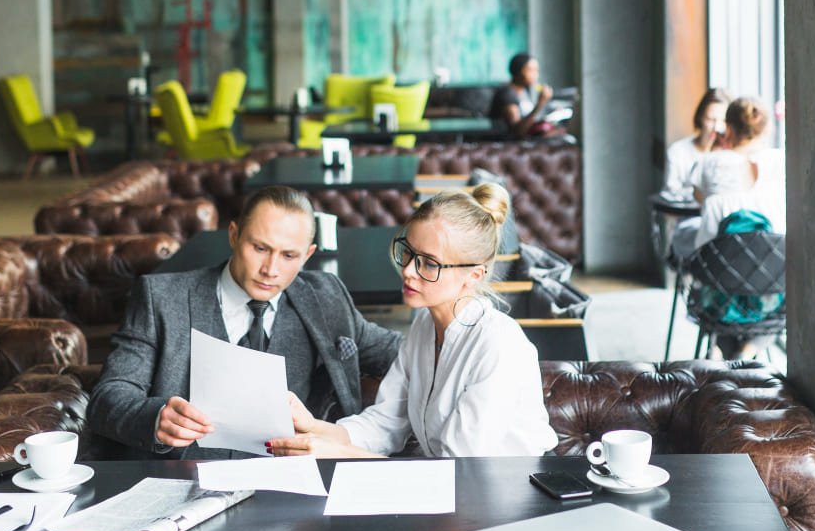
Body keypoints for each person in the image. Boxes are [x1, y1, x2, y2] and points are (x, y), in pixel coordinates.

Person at [87, 185, 402, 457]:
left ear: (308, 255)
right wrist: (155, 420)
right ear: (234, 235)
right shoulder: (161, 298)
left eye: (289, 256)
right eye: (260, 248)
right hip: (184, 476)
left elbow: (404, 353)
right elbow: (109, 397)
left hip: (293, 483)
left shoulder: (327, 296)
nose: (271, 269)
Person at [267, 183, 558, 458]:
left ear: (474, 275)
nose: (408, 270)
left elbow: (458, 468)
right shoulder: (424, 326)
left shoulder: (498, 345)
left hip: (516, 498)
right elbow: (386, 422)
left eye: (429, 263)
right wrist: (313, 428)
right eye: (408, 253)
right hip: (458, 498)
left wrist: (341, 454)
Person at [691, 96, 785, 249]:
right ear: (766, 130)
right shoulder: (780, 161)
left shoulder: (709, 162)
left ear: (728, 129)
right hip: (774, 261)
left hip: (718, 262)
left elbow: (699, 198)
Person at [662, 87, 731, 201]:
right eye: (710, 119)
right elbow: (671, 191)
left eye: (722, 120)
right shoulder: (678, 151)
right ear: (700, 117)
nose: (716, 127)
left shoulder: (730, 155)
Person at [488, 53, 561, 138]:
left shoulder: (523, 92)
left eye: (536, 71)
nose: (535, 75)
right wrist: (540, 103)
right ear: (519, 71)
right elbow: (517, 132)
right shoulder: (507, 94)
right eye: (531, 70)